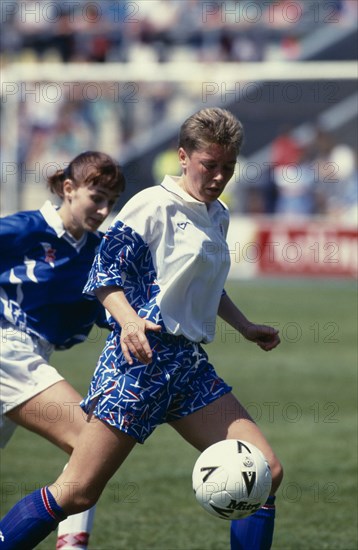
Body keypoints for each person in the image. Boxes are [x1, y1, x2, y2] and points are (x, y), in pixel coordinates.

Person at [0, 108, 283, 550]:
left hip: (188, 367)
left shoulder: (218, 214)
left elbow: (206, 286)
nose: (219, 176)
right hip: (139, 364)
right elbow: (103, 274)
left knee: (263, 473)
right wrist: (129, 320)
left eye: (228, 167)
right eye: (210, 165)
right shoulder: (152, 204)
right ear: (183, 157)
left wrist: (244, 326)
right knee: (76, 491)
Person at [0, 151, 126, 550]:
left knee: (89, 447)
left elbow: (111, 310)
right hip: (8, 348)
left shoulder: (98, 251)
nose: (103, 209)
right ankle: (72, 543)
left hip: (31, 356)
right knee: (91, 442)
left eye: (110, 201)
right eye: (96, 196)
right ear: (69, 189)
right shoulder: (26, 229)